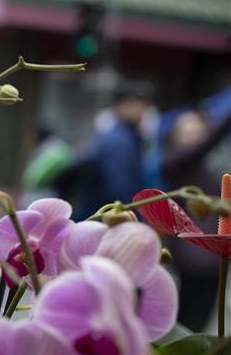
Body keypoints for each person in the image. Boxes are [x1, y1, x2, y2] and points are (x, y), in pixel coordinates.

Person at [161, 109, 231, 331]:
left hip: (213, 252)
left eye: (199, 131)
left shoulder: (206, 167)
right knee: (189, 319)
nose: (195, 136)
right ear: (175, 137)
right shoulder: (174, 162)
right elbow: (208, 143)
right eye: (188, 131)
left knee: (202, 317)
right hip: (193, 253)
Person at [59, 80, 154, 220]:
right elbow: (120, 188)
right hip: (109, 219)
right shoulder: (119, 141)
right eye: (135, 105)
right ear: (119, 107)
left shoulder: (126, 138)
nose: (142, 111)